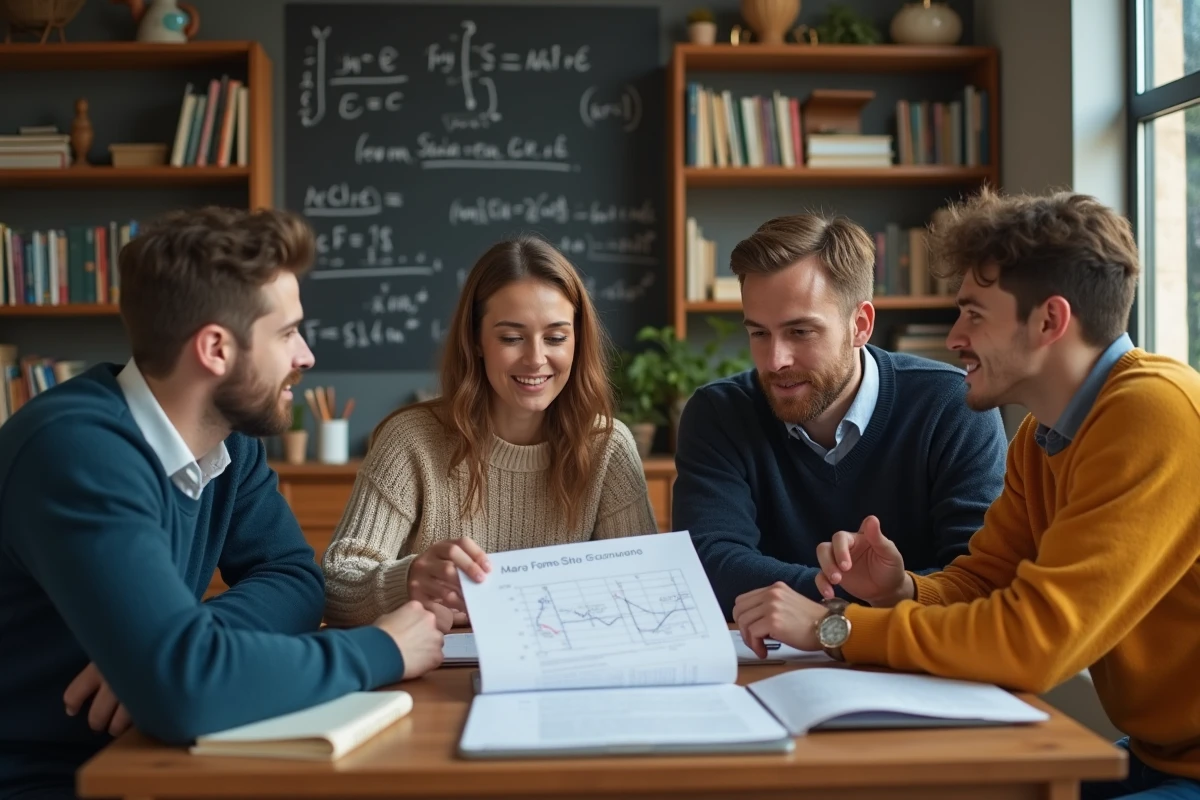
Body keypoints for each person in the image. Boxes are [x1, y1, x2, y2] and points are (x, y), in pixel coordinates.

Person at [732, 189, 1200, 798]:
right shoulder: (1043, 434)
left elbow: (1035, 642)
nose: (954, 339)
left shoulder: (1155, 413)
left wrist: (834, 628)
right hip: (1158, 754)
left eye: (974, 314)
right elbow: (986, 580)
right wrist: (902, 590)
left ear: (1049, 321)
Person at [0, 207, 448, 800]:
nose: (306, 356)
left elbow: (294, 578)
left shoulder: (228, 439)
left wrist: (175, 646)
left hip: (153, 761)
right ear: (215, 348)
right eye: (287, 333)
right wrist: (385, 648)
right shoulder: (76, 451)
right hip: (48, 780)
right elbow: (185, 694)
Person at [674, 212, 1008, 617]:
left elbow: (980, 582)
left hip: (914, 666)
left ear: (860, 325)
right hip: (771, 665)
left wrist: (829, 610)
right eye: (759, 333)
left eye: (800, 332)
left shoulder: (952, 406)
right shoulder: (719, 414)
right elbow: (709, 566)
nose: (776, 360)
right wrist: (859, 596)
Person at [321, 235, 658, 628]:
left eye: (556, 337)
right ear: (476, 341)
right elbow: (333, 588)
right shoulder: (411, 440)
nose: (535, 359)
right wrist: (408, 580)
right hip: (436, 672)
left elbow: (646, 593)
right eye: (511, 338)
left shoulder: (607, 447)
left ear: (577, 341)